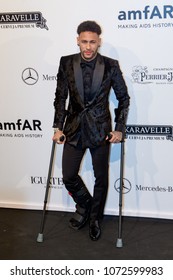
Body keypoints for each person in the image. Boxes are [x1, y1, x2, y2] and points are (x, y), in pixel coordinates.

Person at [52, 20, 130, 241]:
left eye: (92, 42)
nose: (88, 47)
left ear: (99, 42)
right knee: (68, 175)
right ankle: (85, 205)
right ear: (77, 40)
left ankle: (95, 218)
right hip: (74, 128)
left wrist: (119, 128)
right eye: (84, 42)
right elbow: (60, 97)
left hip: (100, 129)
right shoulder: (66, 62)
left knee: (100, 178)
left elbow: (123, 98)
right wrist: (58, 126)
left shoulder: (111, 65)